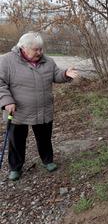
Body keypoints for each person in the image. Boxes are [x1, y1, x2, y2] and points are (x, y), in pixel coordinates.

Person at [0, 32, 79, 181]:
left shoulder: (48, 61)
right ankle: (15, 167)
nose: (40, 52)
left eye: (41, 49)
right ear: (23, 48)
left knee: (44, 138)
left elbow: (56, 75)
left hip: (43, 110)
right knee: (16, 141)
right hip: (17, 111)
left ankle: (48, 160)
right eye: (36, 49)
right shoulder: (6, 61)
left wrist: (65, 74)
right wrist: (6, 101)